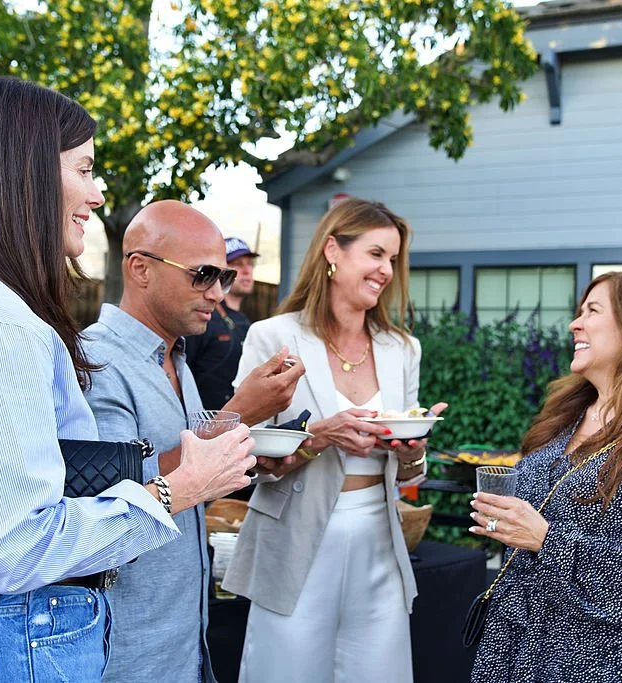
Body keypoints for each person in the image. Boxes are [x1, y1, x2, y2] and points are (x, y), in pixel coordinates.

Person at [0, 78, 258, 681]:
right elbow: (21, 546)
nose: (97, 192)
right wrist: (179, 489)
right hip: (21, 632)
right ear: (24, 173)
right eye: (84, 169)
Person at [222, 198, 445, 683]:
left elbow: (410, 469)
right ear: (333, 250)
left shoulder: (403, 348)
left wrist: (413, 452)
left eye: (392, 259)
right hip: (294, 538)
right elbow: (243, 451)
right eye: (376, 254)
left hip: (378, 540)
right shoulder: (274, 337)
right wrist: (319, 436)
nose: (387, 270)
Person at [83, 201, 305, 682]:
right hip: (125, 645)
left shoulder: (177, 357)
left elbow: (191, 476)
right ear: (140, 268)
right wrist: (240, 413)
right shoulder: (96, 361)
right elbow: (117, 498)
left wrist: (253, 457)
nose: (217, 292)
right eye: (202, 274)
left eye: (224, 277)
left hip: (183, 635)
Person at [469, 271, 622, 683]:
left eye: (592, 311)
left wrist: (546, 541)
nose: (574, 323)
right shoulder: (565, 418)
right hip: (513, 645)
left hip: (593, 662)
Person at [185, 236, 260, 409]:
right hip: (202, 425)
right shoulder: (203, 318)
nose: (247, 270)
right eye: (237, 264)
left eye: (250, 263)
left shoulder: (246, 322)